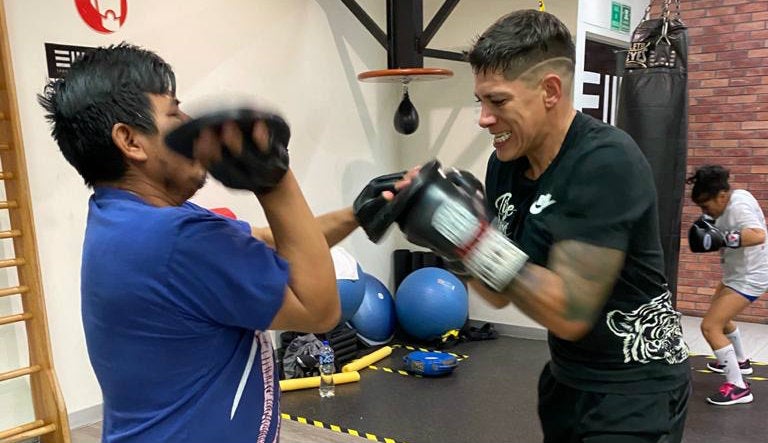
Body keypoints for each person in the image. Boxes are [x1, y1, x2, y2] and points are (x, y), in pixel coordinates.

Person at [366, 10, 691, 442]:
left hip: (636, 390)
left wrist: (469, 237)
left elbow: (572, 311)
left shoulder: (606, 162)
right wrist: (452, 244)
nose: (483, 117)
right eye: (479, 101)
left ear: (549, 91)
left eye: (497, 101)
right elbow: (500, 294)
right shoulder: (506, 167)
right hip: (566, 380)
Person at [38, 43, 357, 443]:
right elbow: (319, 308)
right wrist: (274, 181)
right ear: (130, 140)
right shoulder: (177, 239)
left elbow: (266, 242)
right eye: (173, 112)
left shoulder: (125, 219)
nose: (188, 121)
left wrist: (357, 214)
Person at [687, 164, 768, 405]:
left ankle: (738, 387)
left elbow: (758, 234)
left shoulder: (739, 205)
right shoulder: (728, 203)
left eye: (705, 205)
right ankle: (741, 362)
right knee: (721, 317)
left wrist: (724, 238)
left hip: (750, 276)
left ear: (722, 196)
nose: (705, 211)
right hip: (736, 274)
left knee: (710, 327)